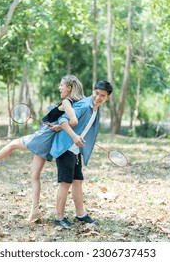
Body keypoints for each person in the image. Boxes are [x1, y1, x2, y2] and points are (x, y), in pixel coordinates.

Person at [0, 75, 85, 222]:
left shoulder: (66, 101)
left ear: (69, 88)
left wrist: (60, 126)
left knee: (13, 144)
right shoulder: (75, 103)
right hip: (47, 140)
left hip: (42, 137)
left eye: (61, 85)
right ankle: (35, 210)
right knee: (34, 175)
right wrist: (59, 124)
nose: (59, 88)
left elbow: (74, 120)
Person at [49, 80, 113, 228]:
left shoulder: (96, 109)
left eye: (102, 96)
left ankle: (81, 214)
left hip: (75, 149)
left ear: (107, 97)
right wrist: (74, 136)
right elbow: (64, 119)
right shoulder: (85, 105)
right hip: (66, 147)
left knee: (78, 181)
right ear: (93, 91)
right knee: (66, 183)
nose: (98, 97)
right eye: (96, 93)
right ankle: (59, 218)